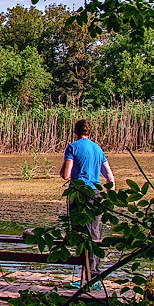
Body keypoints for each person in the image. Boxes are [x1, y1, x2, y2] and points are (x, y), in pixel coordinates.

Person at [60, 118, 114, 277]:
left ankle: (88, 274)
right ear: (89, 132)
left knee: (81, 232)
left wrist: (63, 167)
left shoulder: (72, 148)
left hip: (79, 193)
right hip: (96, 193)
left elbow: (66, 175)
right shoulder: (98, 149)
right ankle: (93, 272)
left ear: (75, 132)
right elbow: (110, 177)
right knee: (94, 232)